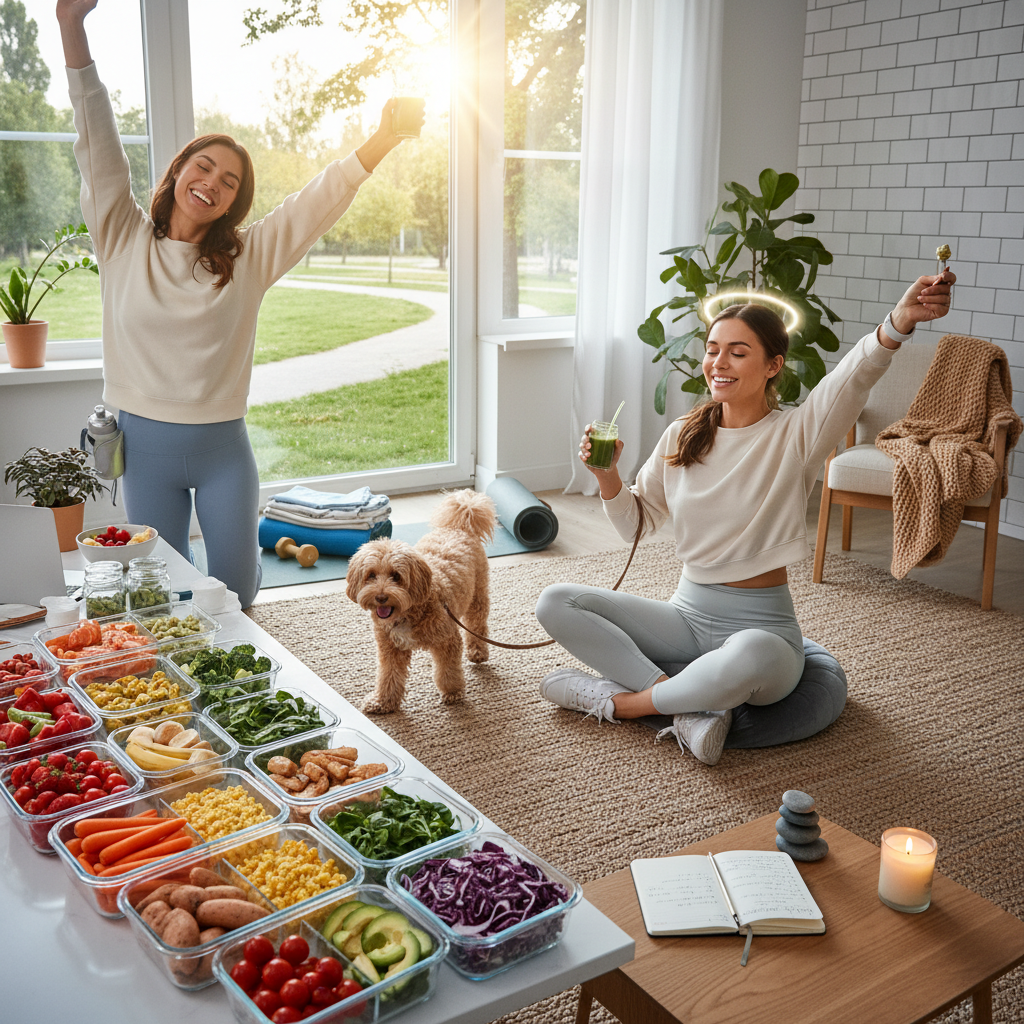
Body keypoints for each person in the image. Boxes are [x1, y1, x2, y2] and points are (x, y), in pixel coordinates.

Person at [57, 0, 420, 607]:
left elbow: (318, 200)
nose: (214, 182)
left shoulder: (247, 258)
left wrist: (384, 138)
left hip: (223, 447)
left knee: (238, 592)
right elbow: (97, 141)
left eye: (230, 182)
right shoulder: (121, 237)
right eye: (205, 166)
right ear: (177, 174)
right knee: (159, 591)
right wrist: (73, 26)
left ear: (233, 203)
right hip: (142, 447)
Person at [535, 271, 955, 765]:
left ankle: (622, 704)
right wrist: (607, 475)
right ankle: (685, 704)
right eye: (713, 349)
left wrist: (899, 321)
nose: (719, 362)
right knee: (555, 601)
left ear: (773, 364)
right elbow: (637, 525)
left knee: (749, 656)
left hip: (763, 629)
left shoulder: (797, 434)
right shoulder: (682, 435)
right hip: (687, 616)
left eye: (738, 351)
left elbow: (854, 377)